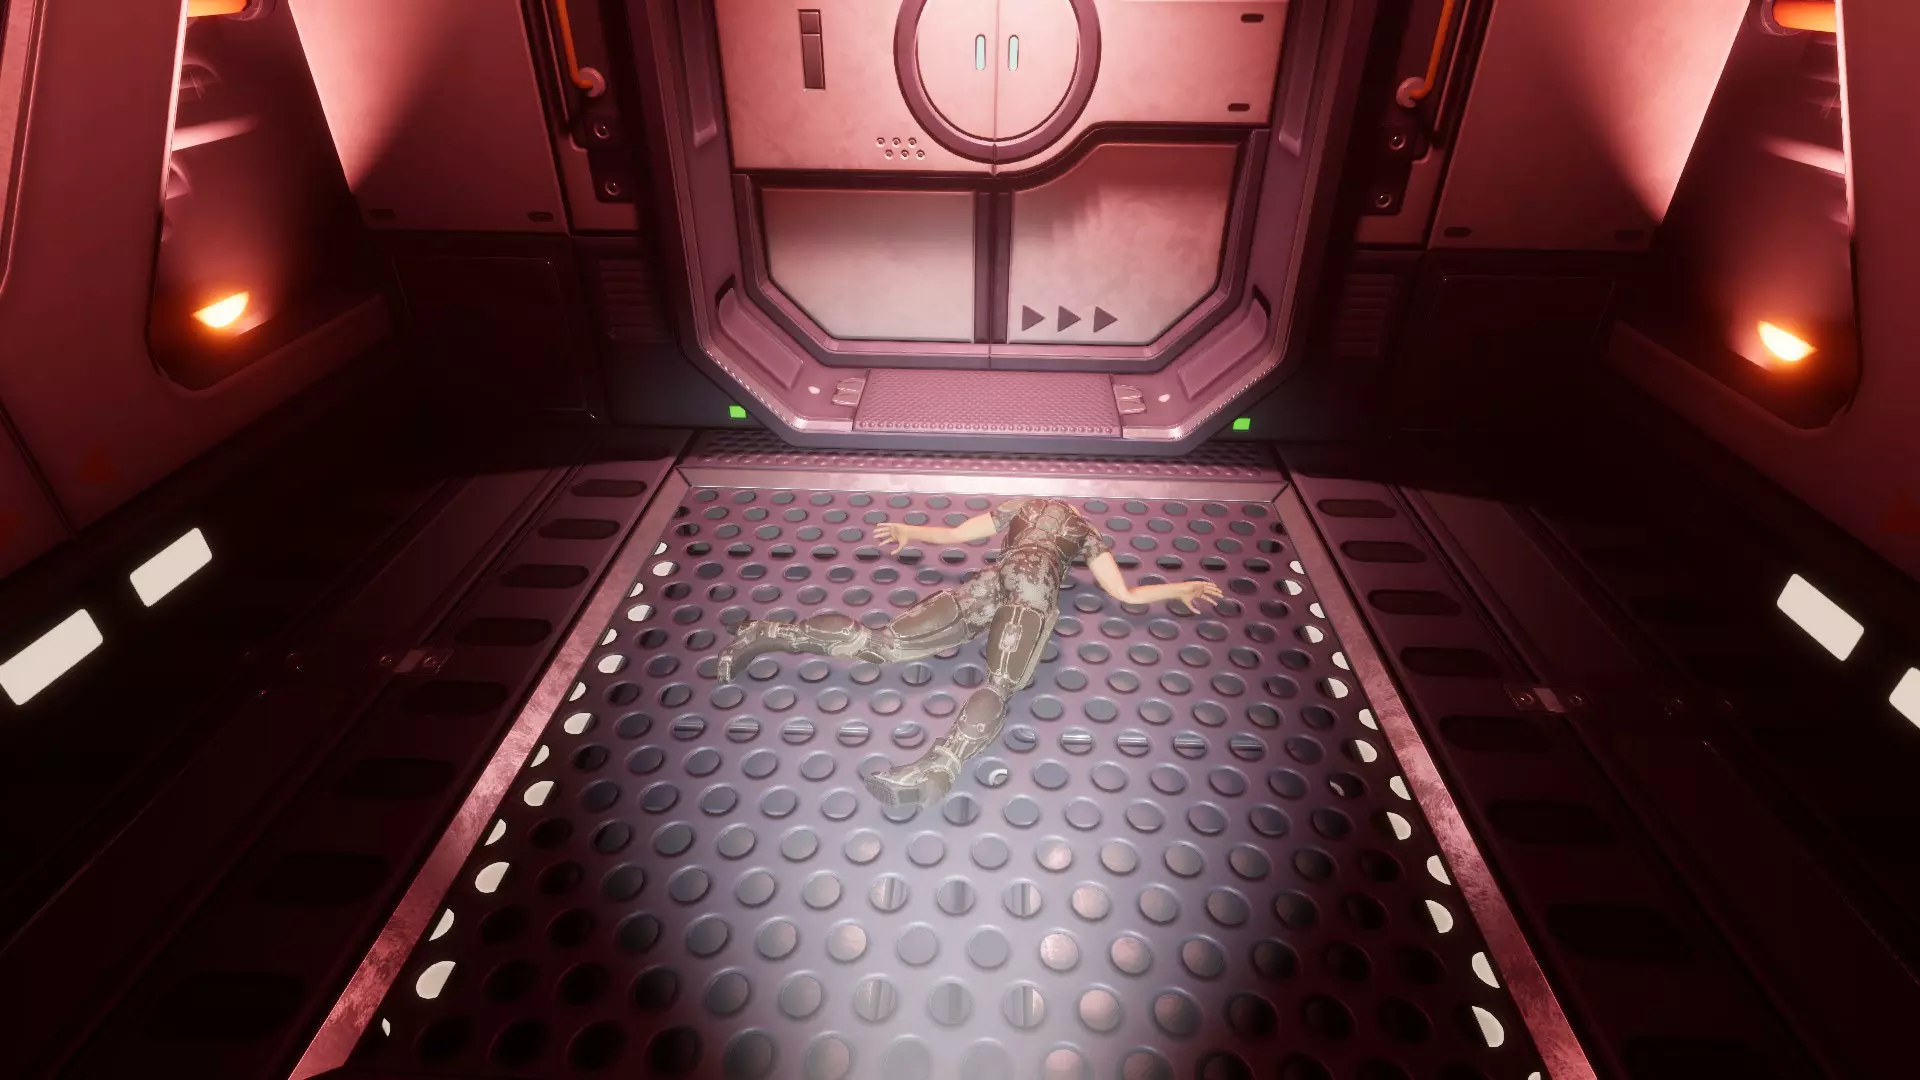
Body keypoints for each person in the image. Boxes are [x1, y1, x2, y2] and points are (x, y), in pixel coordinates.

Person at [715, 497, 1223, 806]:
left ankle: (766, 633)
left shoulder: (1025, 506)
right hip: (1032, 593)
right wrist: (1179, 588)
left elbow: (958, 534)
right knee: (997, 684)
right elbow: (1125, 594)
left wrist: (910, 530)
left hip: (990, 584)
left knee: (885, 643)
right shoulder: (1083, 532)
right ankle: (939, 767)